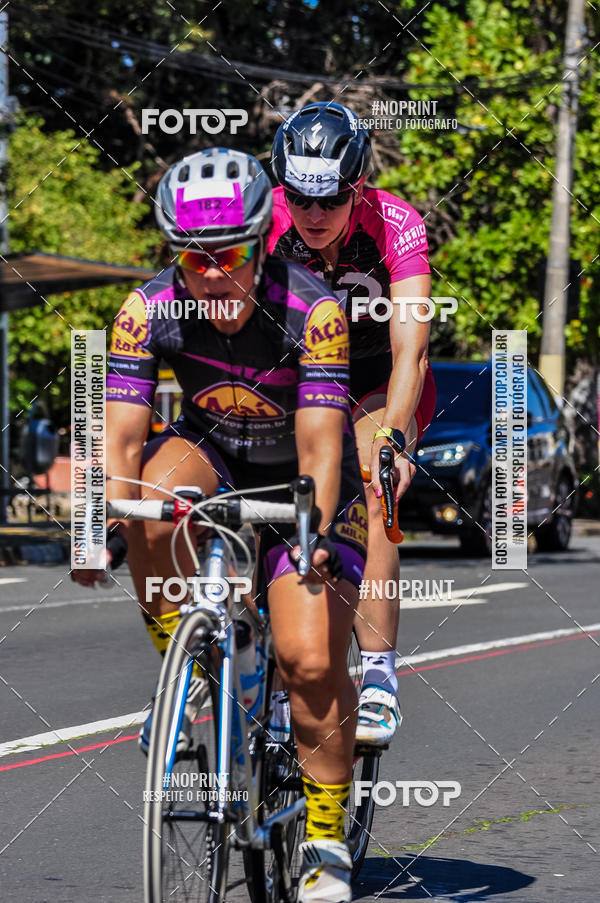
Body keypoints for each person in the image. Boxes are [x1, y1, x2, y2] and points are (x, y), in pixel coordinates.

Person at [73, 147, 367, 902]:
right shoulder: (147, 309)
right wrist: (89, 523)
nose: (207, 274)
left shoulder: (314, 311)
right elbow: (121, 443)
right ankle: (188, 663)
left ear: (262, 239)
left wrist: (313, 537)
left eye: (226, 254)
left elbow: (319, 450)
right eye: (190, 258)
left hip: (306, 481)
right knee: (152, 490)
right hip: (215, 460)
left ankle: (327, 839)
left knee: (306, 660)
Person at [270, 102, 436, 746]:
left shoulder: (396, 222)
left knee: (375, 477)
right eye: (300, 199)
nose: (312, 215)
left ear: (358, 187)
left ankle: (377, 675)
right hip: (302, 374)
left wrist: (394, 431)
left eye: (330, 201)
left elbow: (410, 351)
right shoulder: (270, 215)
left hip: (375, 378)